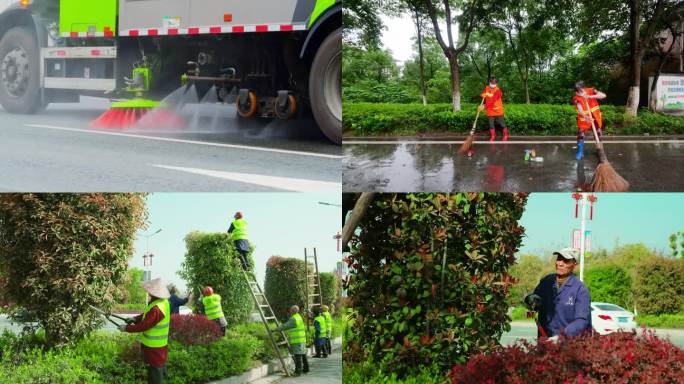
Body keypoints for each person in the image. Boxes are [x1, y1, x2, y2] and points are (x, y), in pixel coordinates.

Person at [525, 248, 592, 340]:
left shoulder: (580, 289)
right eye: (559, 259)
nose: (560, 263)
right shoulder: (546, 282)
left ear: (575, 264)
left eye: (566, 261)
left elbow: (582, 320)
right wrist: (530, 301)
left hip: (570, 345)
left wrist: (561, 337)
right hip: (545, 341)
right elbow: (534, 305)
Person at [119, 278, 171, 384]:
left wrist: (126, 328)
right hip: (157, 345)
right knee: (157, 367)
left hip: (155, 346)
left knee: (155, 370)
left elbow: (144, 325)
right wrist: (134, 319)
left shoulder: (157, 308)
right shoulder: (162, 302)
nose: (148, 292)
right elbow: (146, 315)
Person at [572, 80, 607, 160]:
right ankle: (580, 151)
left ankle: (600, 149)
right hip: (584, 119)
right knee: (581, 135)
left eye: (582, 89)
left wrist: (591, 96)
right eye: (579, 90)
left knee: (598, 134)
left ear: (584, 87)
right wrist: (586, 117)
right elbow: (580, 109)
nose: (581, 91)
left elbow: (603, 95)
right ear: (577, 91)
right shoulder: (576, 98)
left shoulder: (591, 90)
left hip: (595, 117)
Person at [274, 305, 309, 376]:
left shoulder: (293, 319)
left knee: (298, 356)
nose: (290, 311)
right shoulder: (298, 316)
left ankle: (297, 372)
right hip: (301, 339)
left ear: (293, 311)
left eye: (290, 310)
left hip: (297, 340)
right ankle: (306, 369)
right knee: (303, 354)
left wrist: (276, 329)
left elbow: (286, 326)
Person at [478, 77, 509, 142]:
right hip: (490, 110)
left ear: (496, 84)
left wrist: (484, 106)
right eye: (491, 83)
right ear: (489, 82)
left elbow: (492, 100)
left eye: (494, 83)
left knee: (502, 124)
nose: (493, 84)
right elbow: (483, 94)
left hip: (498, 110)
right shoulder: (487, 88)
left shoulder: (498, 91)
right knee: (491, 124)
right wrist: (483, 95)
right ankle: (493, 136)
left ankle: (506, 135)